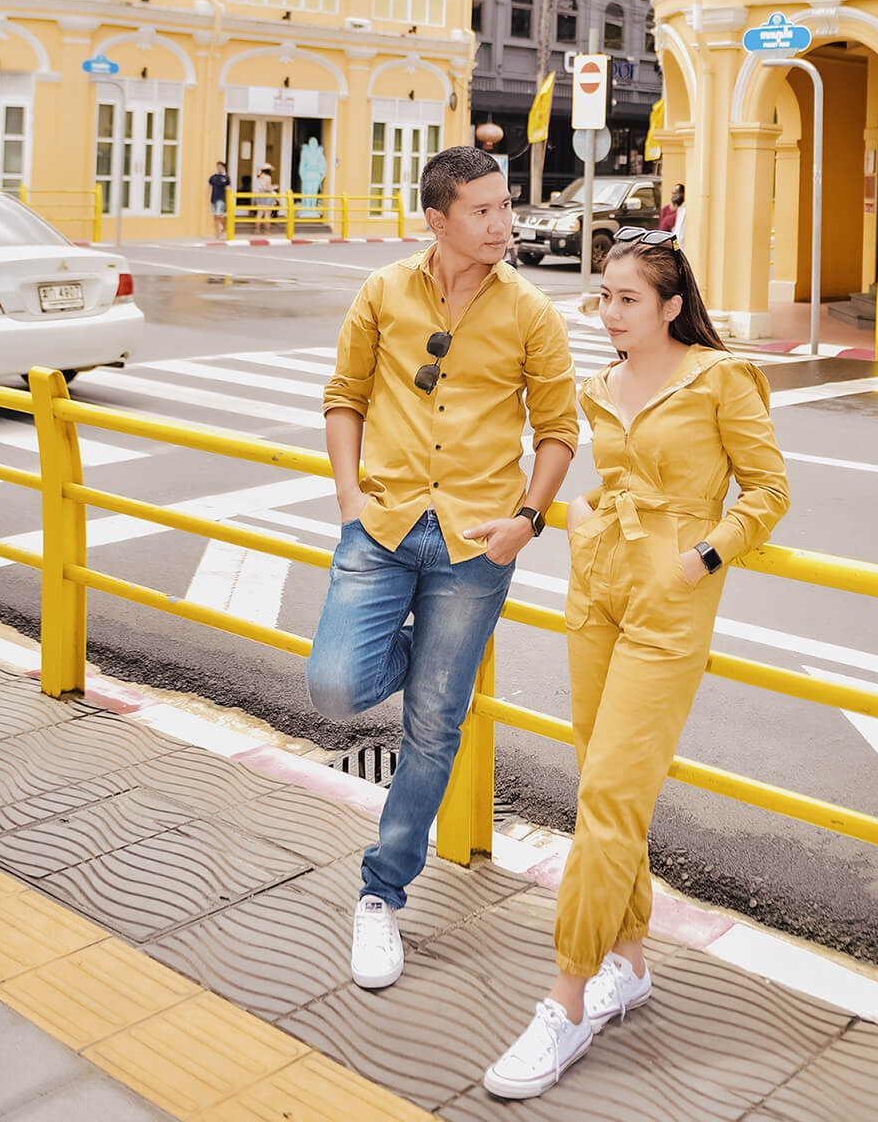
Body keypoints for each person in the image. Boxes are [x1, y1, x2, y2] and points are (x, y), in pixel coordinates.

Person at [484, 226, 788, 1100]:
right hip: (596, 594)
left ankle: (567, 1001)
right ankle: (630, 958)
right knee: (599, 789)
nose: (610, 314)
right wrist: (555, 520)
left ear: (671, 305)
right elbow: (607, 484)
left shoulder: (719, 380)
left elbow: (769, 489)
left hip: (669, 607)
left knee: (611, 798)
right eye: (604, 297)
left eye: (627, 299)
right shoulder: (600, 386)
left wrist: (702, 555)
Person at [307, 145, 579, 993]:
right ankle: (428, 648)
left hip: (476, 543)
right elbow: (344, 396)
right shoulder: (383, 292)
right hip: (381, 526)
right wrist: (350, 498)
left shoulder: (531, 311)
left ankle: (380, 895)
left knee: (434, 725)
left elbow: (560, 429)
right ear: (439, 219)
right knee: (336, 688)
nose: (505, 224)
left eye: (507, 208)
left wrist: (527, 521)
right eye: (485, 211)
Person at [207, 161, 229, 238]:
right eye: (218, 167)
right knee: (215, 216)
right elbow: (209, 187)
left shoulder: (226, 178)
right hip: (214, 198)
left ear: (223, 168)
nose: (219, 168)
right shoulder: (213, 177)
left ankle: (225, 227)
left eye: (220, 167)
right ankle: (218, 233)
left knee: (219, 215)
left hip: (221, 198)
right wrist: (208, 196)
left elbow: (228, 188)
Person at [253, 164, 275, 230]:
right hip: (267, 195)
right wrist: (274, 187)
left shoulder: (259, 177)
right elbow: (268, 188)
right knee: (267, 214)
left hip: (259, 195)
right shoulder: (268, 177)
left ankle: (257, 230)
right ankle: (267, 231)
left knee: (259, 213)